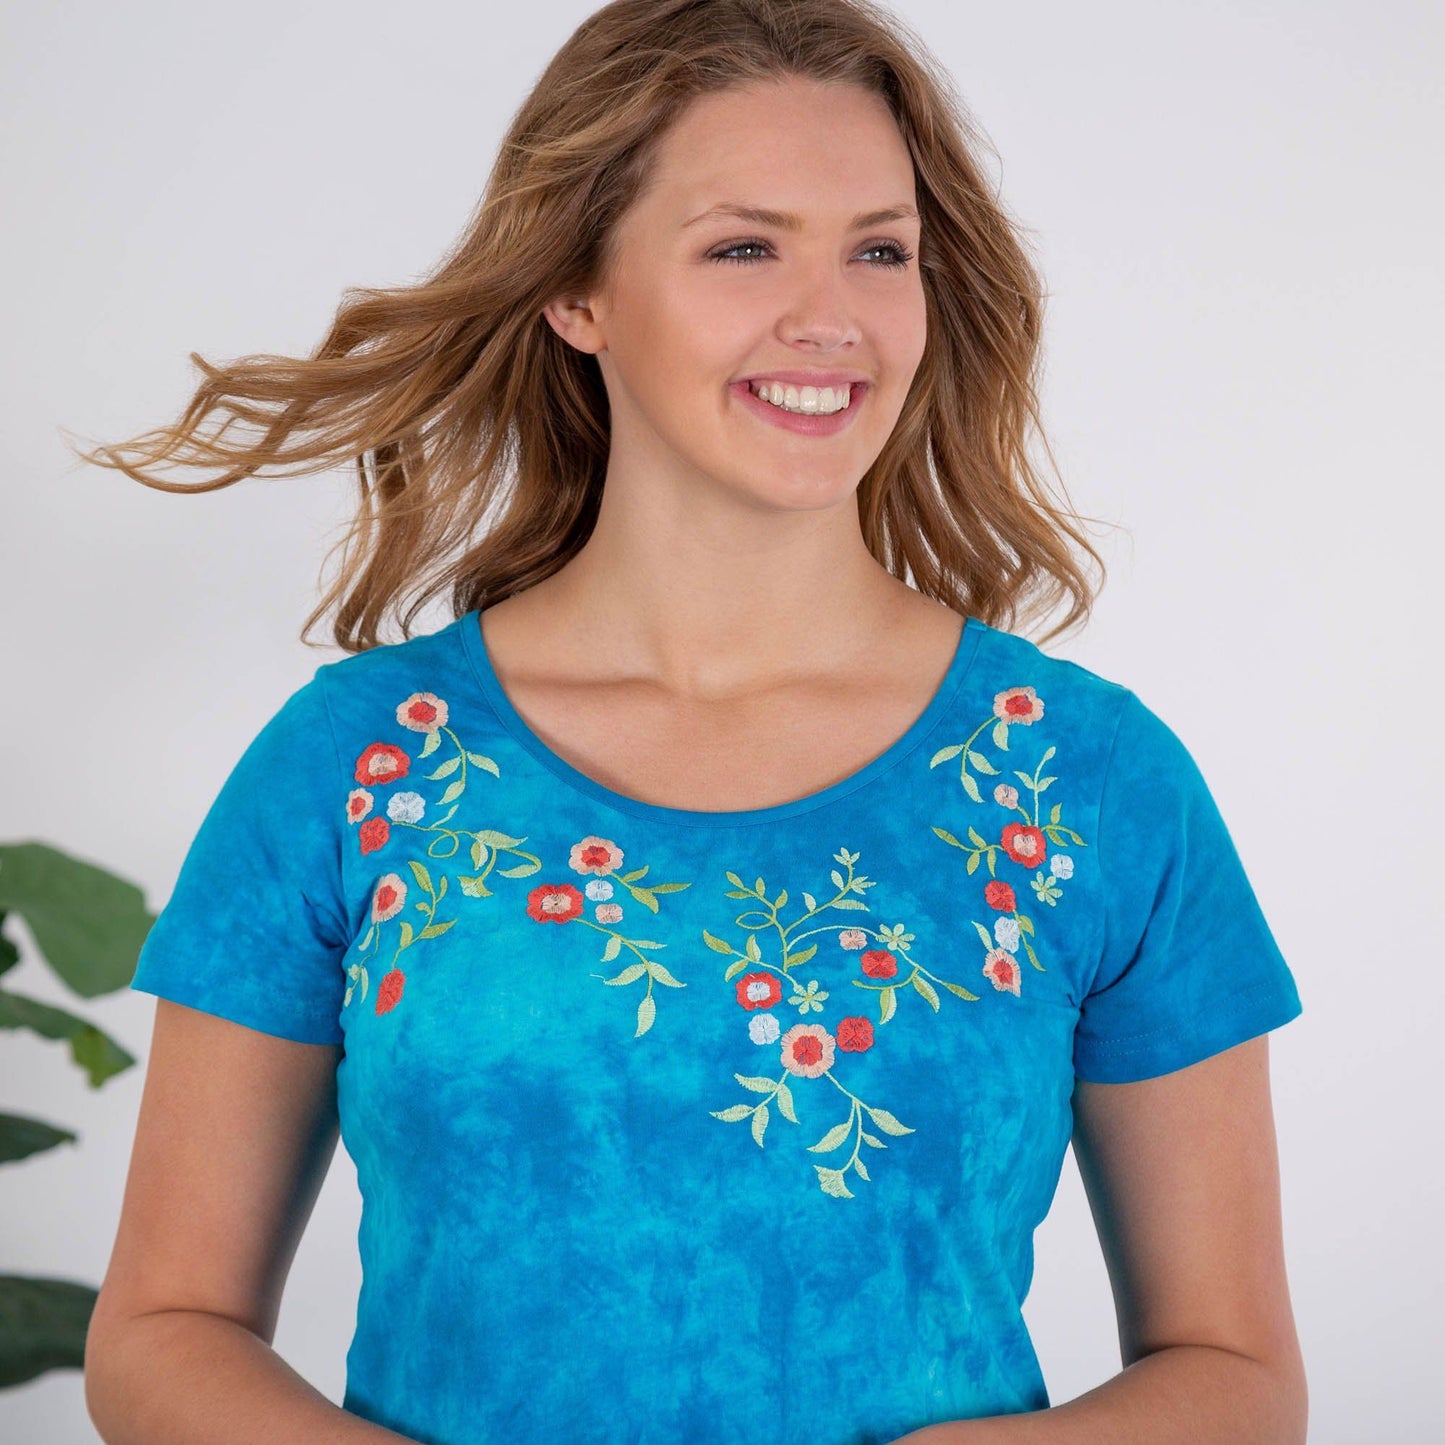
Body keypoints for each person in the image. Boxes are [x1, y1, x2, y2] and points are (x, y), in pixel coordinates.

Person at [77, 1, 1307, 1441]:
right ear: (577, 291)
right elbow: (162, 1333)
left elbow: (1235, 1374)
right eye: (742, 248)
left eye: (879, 251)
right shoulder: (358, 767)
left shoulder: (1085, 778)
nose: (829, 316)